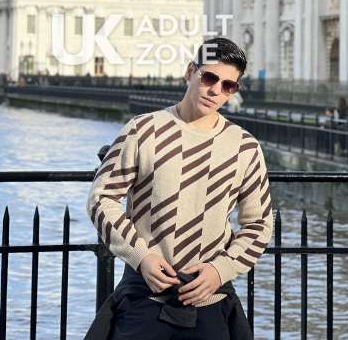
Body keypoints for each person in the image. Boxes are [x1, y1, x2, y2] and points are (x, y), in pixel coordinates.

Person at [85, 37, 273, 340]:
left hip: (210, 300)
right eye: (209, 78)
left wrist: (220, 271)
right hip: (145, 297)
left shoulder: (244, 147)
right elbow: (102, 198)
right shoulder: (142, 130)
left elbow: (259, 224)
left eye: (228, 86)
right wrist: (141, 257)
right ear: (190, 72)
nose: (216, 90)